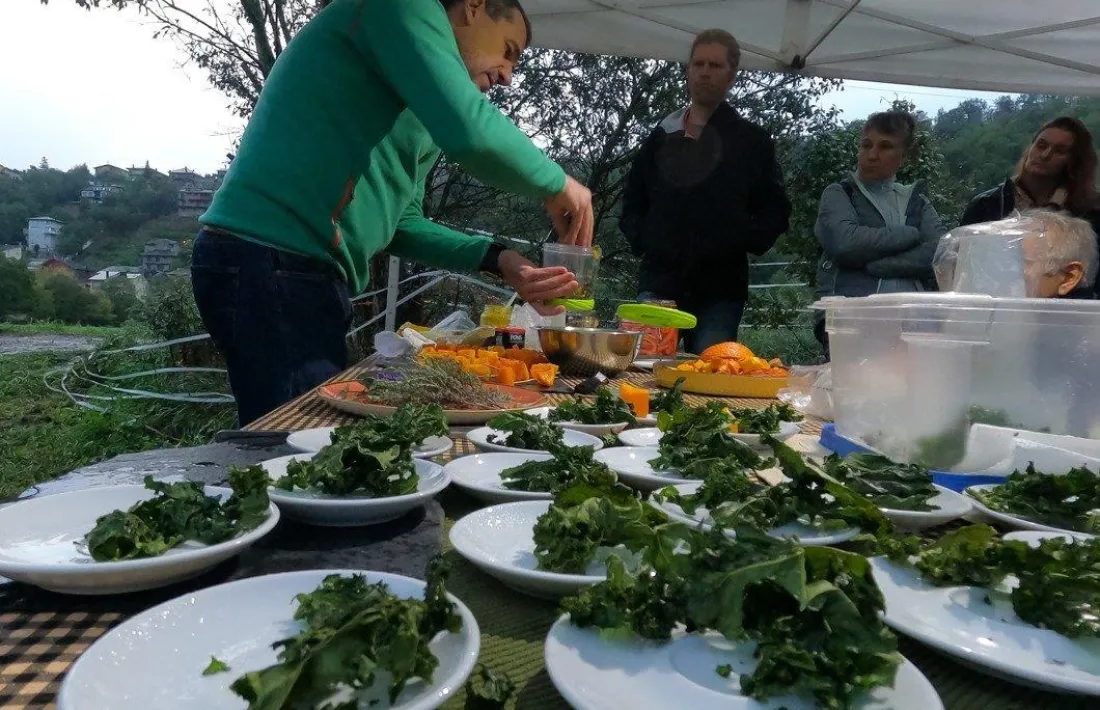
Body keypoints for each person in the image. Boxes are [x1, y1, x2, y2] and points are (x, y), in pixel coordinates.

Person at [191, 0, 594, 426]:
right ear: (473, 7)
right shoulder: (400, 5)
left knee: (304, 441)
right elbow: (471, 131)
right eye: (509, 50)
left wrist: (500, 260)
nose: (509, 76)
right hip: (268, 257)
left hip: (300, 273)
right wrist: (559, 183)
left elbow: (402, 223)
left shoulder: (416, 111)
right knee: (295, 445)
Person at [619, 29, 790, 354]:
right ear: (688, 70)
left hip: (720, 288)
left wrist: (739, 238)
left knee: (712, 374)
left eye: (715, 65)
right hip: (660, 282)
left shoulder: (751, 142)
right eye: (698, 64)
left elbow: (775, 209)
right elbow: (634, 200)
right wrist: (645, 239)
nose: (705, 72)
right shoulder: (660, 137)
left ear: (732, 75)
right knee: (645, 373)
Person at [813, 110, 946, 355]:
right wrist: (908, 235)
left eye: (885, 147)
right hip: (852, 322)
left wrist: (877, 264)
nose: (872, 155)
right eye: (866, 145)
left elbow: (938, 254)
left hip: (914, 325)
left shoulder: (917, 201)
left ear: (903, 157)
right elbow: (845, 243)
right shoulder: (840, 193)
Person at [960, 116, 1100, 295]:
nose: (1045, 155)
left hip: (1069, 314)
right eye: (1041, 145)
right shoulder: (987, 204)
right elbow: (963, 270)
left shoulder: (1091, 213)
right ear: (1030, 148)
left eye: (1059, 151)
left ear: (1075, 162)